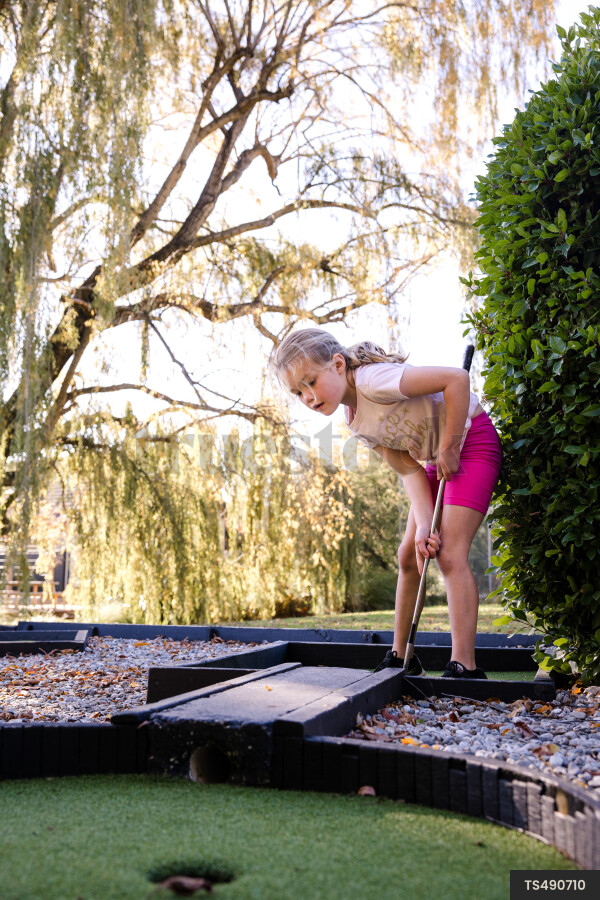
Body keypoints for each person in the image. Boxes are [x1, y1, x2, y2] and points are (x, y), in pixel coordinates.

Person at [272, 327, 502, 678]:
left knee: (450, 553)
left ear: (337, 364)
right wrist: (424, 524)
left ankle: (465, 666)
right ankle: (401, 657)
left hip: (470, 441)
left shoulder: (374, 380)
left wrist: (451, 445)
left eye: (311, 382)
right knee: (410, 553)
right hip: (434, 458)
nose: (307, 396)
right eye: (297, 392)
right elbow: (408, 470)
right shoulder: (355, 421)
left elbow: (456, 380)